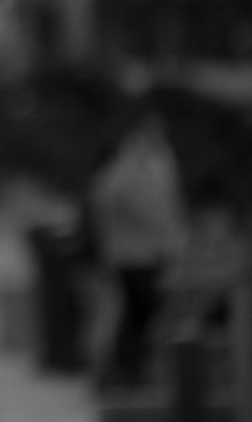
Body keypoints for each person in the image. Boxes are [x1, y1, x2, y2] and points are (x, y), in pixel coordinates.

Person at [88, 107, 186, 386]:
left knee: (138, 315)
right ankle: (126, 370)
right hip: (133, 255)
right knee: (139, 314)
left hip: (146, 252)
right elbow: (115, 198)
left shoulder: (157, 161)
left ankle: (130, 370)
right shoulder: (129, 165)